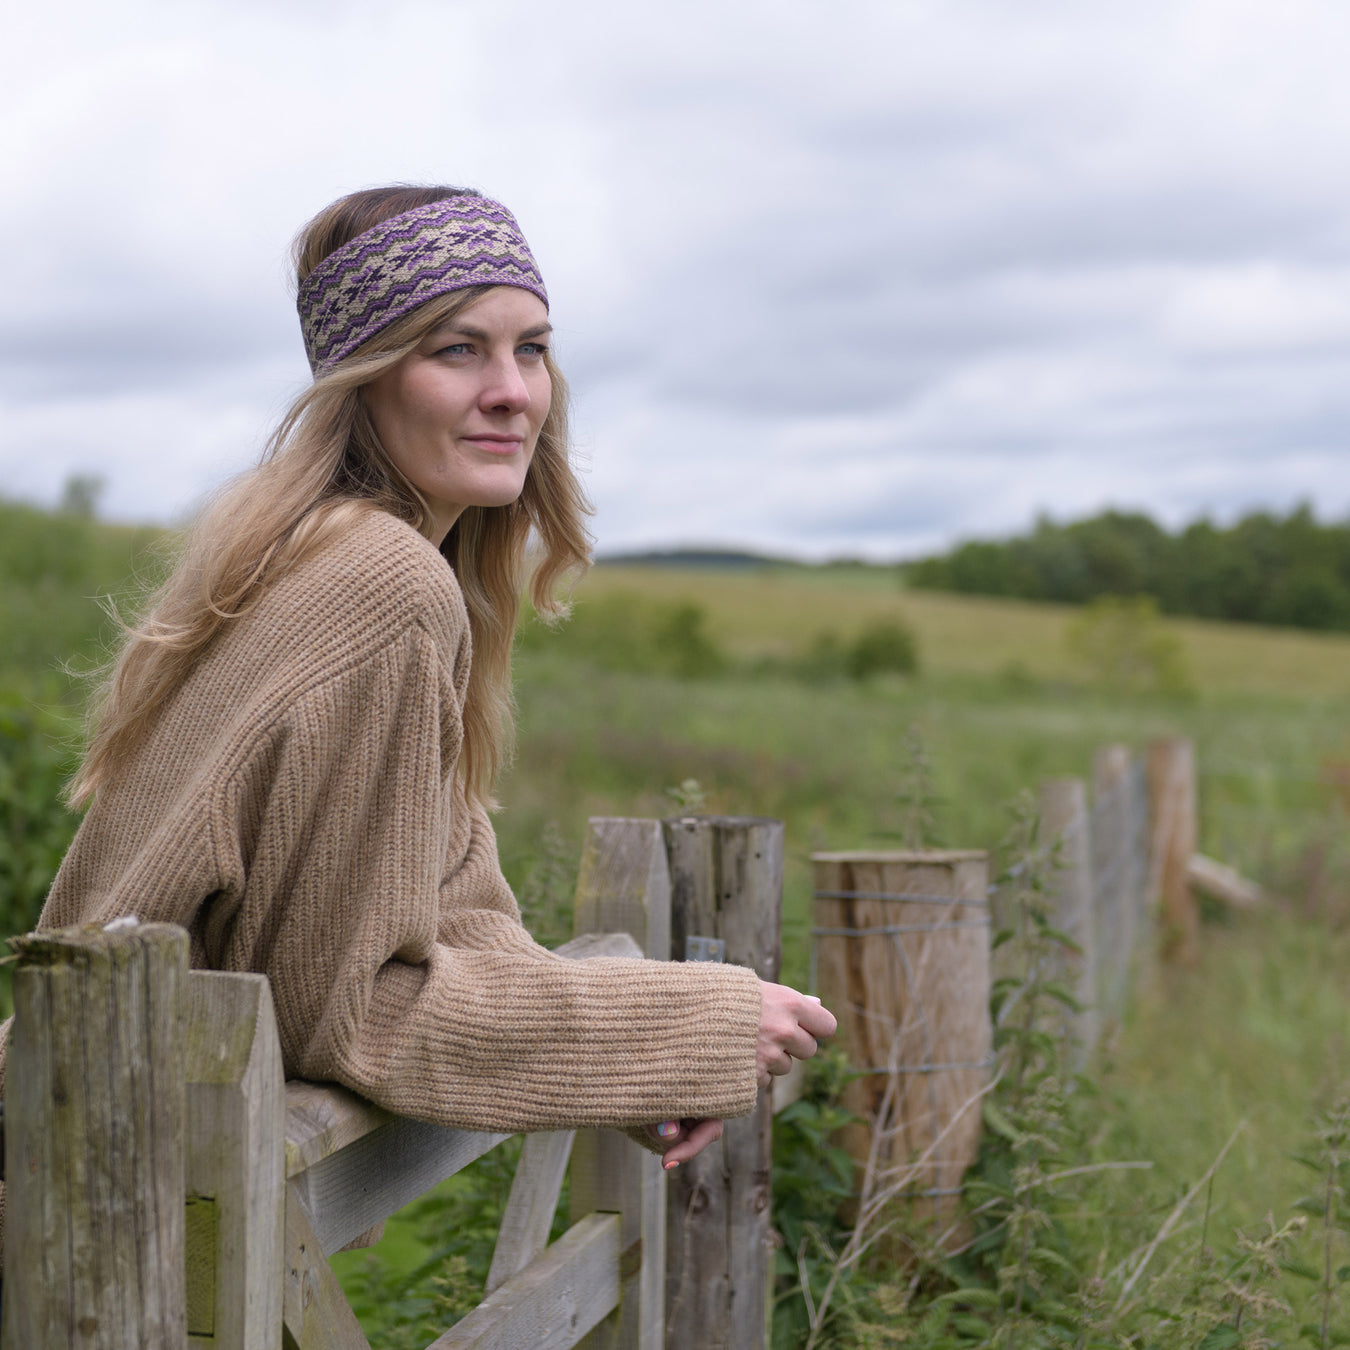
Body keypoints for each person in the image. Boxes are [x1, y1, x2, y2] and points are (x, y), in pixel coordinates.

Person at [0, 186, 836, 1214]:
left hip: (105, 1140)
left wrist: (639, 1060)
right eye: (456, 351)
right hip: (99, 1182)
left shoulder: (337, 555)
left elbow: (451, 911)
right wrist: (684, 1025)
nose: (512, 392)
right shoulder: (381, 585)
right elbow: (339, 1007)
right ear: (364, 381)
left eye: (531, 349)